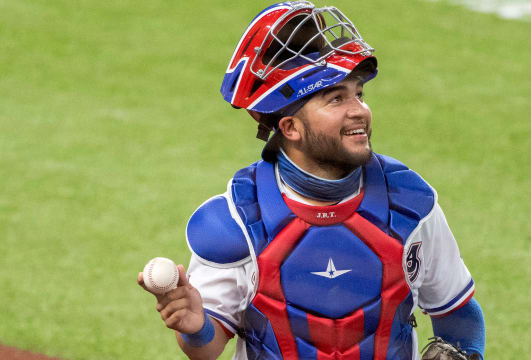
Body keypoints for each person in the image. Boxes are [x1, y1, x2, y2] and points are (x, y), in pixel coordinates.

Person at [138, 2, 486, 359]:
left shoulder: (409, 203)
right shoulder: (237, 220)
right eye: (336, 99)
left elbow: (456, 313)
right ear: (290, 128)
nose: (359, 110)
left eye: (359, 94)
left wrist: (467, 354)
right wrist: (196, 328)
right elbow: (206, 347)